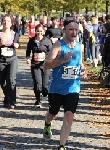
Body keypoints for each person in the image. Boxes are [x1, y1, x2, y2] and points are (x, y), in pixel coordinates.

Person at [42, 20, 87, 150]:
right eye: (71, 29)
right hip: (56, 87)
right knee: (53, 113)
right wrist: (62, 60)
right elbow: (46, 65)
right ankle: (47, 123)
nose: (74, 32)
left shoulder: (80, 46)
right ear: (64, 30)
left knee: (69, 117)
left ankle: (62, 146)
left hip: (73, 87)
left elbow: (80, 63)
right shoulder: (58, 45)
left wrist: (83, 71)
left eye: (76, 30)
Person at [0, 14, 19, 109]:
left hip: (12, 59)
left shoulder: (15, 34)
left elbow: (17, 43)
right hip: (1, 59)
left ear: (11, 23)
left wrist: (17, 45)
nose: (6, 22)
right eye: (4, 20)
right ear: (2, 22)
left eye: (8, 21)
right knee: (3, 82)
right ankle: (7, 97)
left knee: (11, 79)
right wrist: (0, 44)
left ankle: (12, 100)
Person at [26, 24, 52, 107]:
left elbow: (51, 52)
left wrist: (47, 57)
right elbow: (28, 51)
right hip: (35, 64)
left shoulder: (47, 41)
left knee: (45, 85)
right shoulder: (32, 40)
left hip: (45, 64)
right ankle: (38, 100)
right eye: (37, 31)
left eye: (41, 31)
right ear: (35, 31)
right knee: (37, 83)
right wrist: (28, 58)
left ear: (43, 32)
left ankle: (45, 94)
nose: (39, 33)